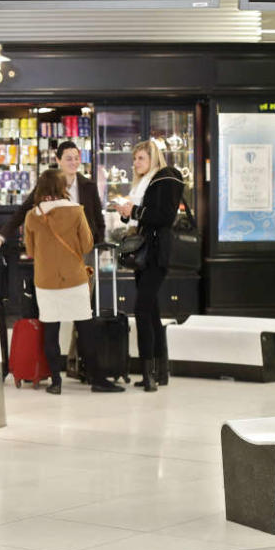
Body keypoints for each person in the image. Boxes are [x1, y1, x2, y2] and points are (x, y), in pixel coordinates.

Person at [23, 169, 124, 394]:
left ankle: (56, 382)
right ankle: (98, 379)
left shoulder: (32, 216)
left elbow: (29, 250)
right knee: (85, 329)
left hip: (46, 281)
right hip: (74, 279)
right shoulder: (76, 211)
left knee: (50, 331)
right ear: (63, 188)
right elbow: (87, 245)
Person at [116, 140, 184, 392]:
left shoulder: (165, 179)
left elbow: (164, 217)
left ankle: (149, 374)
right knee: (152, 311)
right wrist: (128, 212)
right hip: (145, 255)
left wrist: (134, 211)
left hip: (156, 254)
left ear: (153, 158)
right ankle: (159, 371)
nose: (136, 164)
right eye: (134, 159)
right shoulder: (146, 184)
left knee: (142, 310)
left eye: (141, 158)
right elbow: (144, 214)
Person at [0, 140, 105, 250]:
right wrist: (1, 236)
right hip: (55, 249)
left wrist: (98, 246)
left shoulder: (89, 186)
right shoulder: (47, 184)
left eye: (76, 158)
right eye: (69, 159)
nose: (74, 162)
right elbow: (23, 210)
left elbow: (99, 220)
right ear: (58, 160)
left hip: (84, 249)